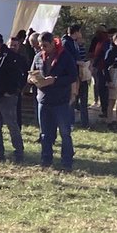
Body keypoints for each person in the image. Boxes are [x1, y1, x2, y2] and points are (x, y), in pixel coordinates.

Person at [31, 31, 77, 170]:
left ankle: (67, 161)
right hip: (43, 100)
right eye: (40, 46)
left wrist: (55, 80)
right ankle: (46, 160)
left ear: (53, 43)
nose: (42, 48)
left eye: (45, 45)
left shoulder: (65, 56)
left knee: (64, 132)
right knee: (45, 133)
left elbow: (73, 76)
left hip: (60, 100)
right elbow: (31, 72)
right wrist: (32, 79)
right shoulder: (38, 57)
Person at [0, 30, 25, 164]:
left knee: (11, 124)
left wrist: (11, 91)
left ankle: (18, 152)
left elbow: (17, 76)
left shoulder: (9, 56)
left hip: (6, 97)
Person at [62, 24, 91, 128]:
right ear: (76, 32)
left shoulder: (74, 42)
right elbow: (66, 59)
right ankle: (69, 122)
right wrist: (78, 62)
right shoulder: (66, 42)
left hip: (79, 73)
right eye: (80, 31)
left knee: (83, 99)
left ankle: (85, 123)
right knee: (72, 98)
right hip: (71, 75)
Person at [88, 25, 112, 118]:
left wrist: (95, 64)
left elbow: (102, 55)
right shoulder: (100, 41)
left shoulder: (105, 42)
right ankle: (104, 109)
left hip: (103, 68)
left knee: (103, 88)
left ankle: (106, 109)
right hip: (99, 67)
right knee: (101, 88)